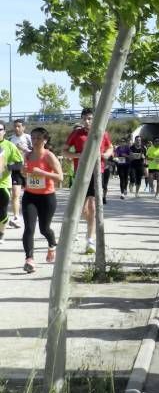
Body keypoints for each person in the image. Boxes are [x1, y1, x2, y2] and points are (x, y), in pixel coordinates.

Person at [62, 109, 114, 255]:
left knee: (92, 206)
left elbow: (110, 147)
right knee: (82, 209)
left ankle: (90, 240)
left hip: (97, 173)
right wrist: (79, 155)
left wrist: (104, 155)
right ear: (81, 119)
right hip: (81, 173)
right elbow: (64, 152)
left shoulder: (102, 133)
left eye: (90, 118)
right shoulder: (76, 134)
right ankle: (86, 227)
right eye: (84, 119)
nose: (87, 121)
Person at [21, 127, 63, 273]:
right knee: (29, 228)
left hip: (47, 197)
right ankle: (29, 259)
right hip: (29, 196)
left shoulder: (49, 156)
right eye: (33, 138)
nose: (35, 140)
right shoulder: (27, 155)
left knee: (44, 229)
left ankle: (52, 245)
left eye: (39, 138)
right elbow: (24, 172)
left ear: (45, 140)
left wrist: (42, 172)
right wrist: (23, 172)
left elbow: (60, 177)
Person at [0, 122, 24, 245]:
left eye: (0, 129)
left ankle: (1, 234)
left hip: (3, 184)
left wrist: (8, 167)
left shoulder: (9, 145)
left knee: (2, 211)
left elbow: (20, 163)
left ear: (4, 131)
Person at [9, 119, 32, 228]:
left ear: (24, 127)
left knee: (32, 194)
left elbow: (35, 152)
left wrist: (24, 149)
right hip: (16, 169)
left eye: (19, 126)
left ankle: (32, 214)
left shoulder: (29, 138)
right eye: (15, 126)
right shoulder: (10, 139)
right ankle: (16, 217)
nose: (16, 128)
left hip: (29, 169)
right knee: (15, 194)